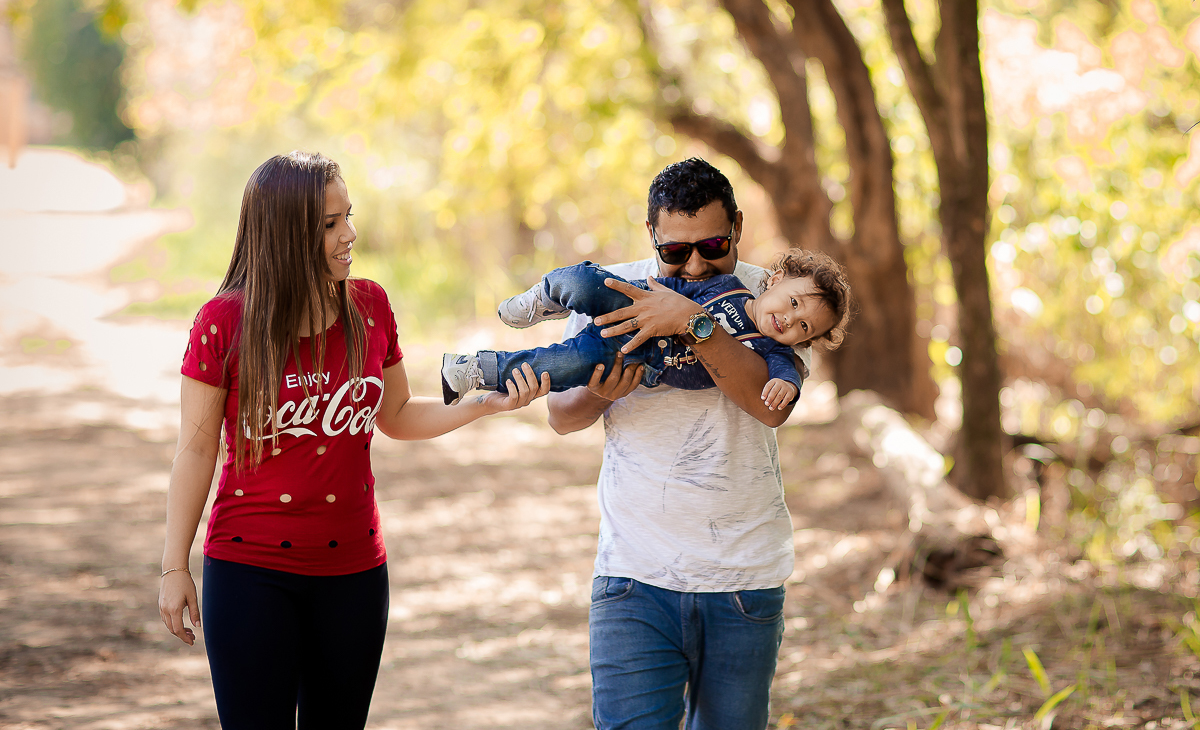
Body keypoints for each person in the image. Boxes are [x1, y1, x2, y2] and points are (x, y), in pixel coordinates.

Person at [157, 151, 549, 730]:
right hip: (249, 572)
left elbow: (394, 413)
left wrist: (484, 406)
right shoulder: (225, 323)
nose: (351, 235)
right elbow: (195, 453)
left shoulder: (370, 306)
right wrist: (174, 568)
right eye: (331, 224)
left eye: (349, 217)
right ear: (288, 234)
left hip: (356, 575)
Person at [547, 157, 850, 730]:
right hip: (632, 575)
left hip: (743, 580)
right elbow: (561, 416)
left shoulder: (780, 301)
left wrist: (692, 321)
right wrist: (603, 392)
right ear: (652, 236)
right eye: (674, 251)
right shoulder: (614, 289)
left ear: (736, 226)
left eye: (712, 245)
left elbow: (766, 405)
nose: (693, 264)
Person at [439, 248, 850, 410]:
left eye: (804, 327)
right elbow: (668, 291)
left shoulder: (771, 351)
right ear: (775, 280)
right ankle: (548, 295)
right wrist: (633, 296)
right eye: (793, 303)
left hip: (633, 359)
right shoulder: (726, 284)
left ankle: (474, 370)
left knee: (555, 367)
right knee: (589, 281)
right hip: (635, 310)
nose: (790, 320)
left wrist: (789, 385)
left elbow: (785, 373)